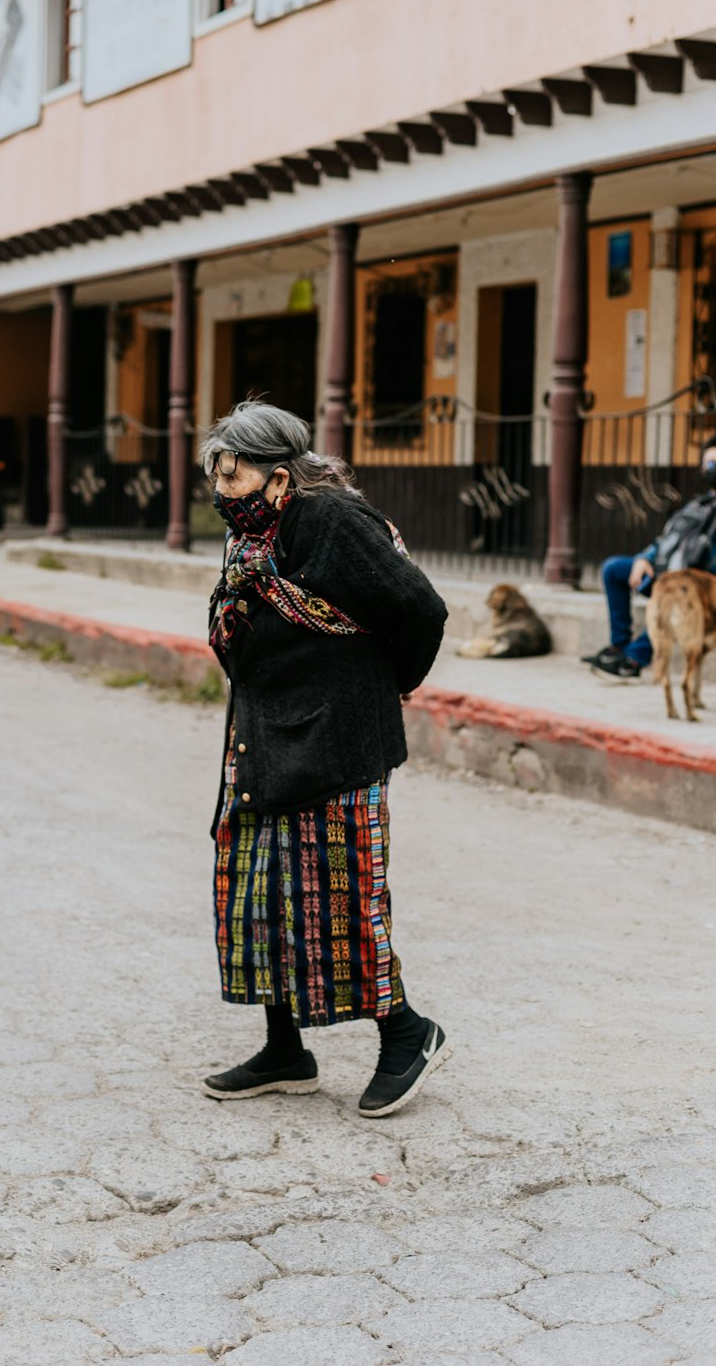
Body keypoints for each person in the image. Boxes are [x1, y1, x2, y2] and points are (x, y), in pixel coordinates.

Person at [201, 400, 450, 1119]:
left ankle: (407, 1034)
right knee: (259, 894)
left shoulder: (334, 520)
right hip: (265, 734)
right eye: (216, 472)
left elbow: (420, 610)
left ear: (280, 476)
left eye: (234, 472)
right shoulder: (255, 530)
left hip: (337, 739)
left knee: (340, 897)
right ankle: (287, 1050)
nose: (222, 489)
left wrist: (377, 688)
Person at [587, 434, 716, 681]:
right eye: (710, 464)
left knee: (677, 592)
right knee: (614, 569)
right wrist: (643, 558)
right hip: (680, 572)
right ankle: (619, 646)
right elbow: (668, 538)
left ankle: (634, 660)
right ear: (702, 467)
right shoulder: (700, 503)